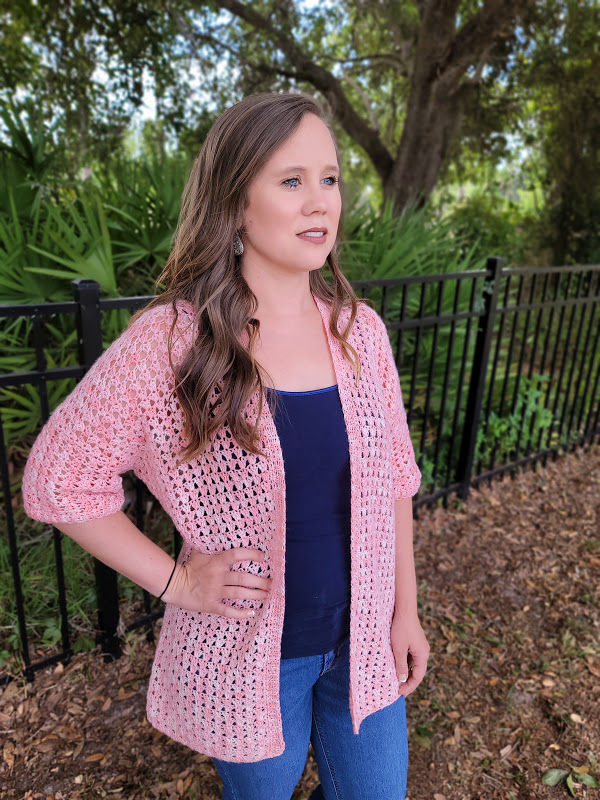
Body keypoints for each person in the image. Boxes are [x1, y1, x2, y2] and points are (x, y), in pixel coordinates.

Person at [21, 91, 430, 799]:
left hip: (362, 639)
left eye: (329, 179)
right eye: (291, 180)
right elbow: (58, 480)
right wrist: (179, 583)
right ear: (236, 202)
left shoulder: (360, 333)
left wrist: (407, 609)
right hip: (248, 656)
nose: (319, 202)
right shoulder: (174, 344)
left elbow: (393, 476)